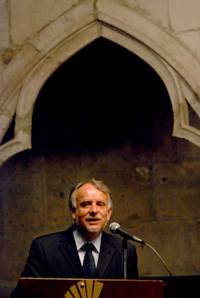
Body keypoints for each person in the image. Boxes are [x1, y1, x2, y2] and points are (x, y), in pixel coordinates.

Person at [11, 178, 138, 297]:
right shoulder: (45, 249)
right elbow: (23, 295)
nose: (94, 210)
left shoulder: (125, 250)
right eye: (86, 204)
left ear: (108, 212)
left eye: (100, 204)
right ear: (73, 211)